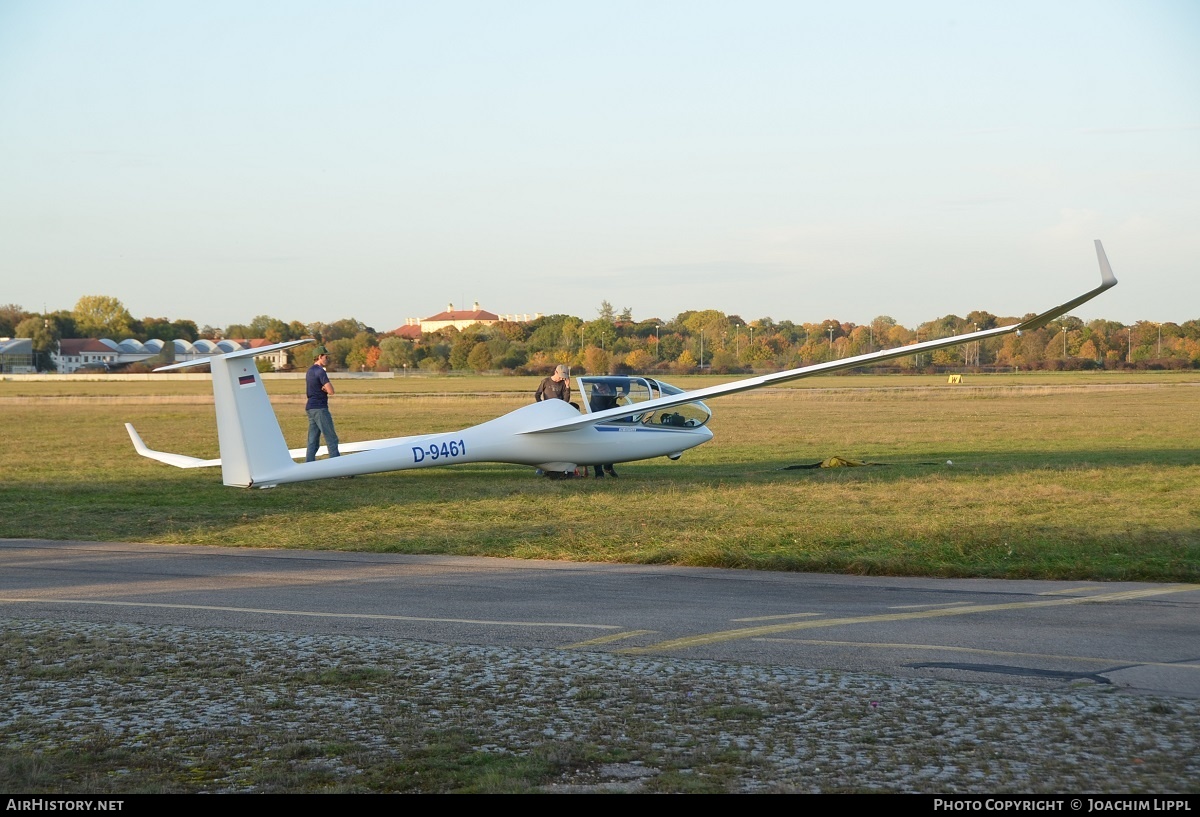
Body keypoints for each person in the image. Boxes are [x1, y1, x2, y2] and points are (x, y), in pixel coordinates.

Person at [305, 345, 340, 462]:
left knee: (313, 441)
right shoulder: (321, 372)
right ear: (320, 356)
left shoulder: (309, 371)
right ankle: (338, 468)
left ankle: (308, 466)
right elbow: (331, 391)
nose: (327, 359)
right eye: (326, 357)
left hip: (310, 407)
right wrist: (325, 389)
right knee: (332, 439)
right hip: (320, 408)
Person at [588, 381, 620, 479]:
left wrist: (625, 392)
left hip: (610, 419)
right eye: (601, 390)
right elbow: (598, 409)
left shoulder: (612, 383)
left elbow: (624, 378)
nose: (603, 391)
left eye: (605, 389)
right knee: (597, 447)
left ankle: (608, 467)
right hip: (597, 419)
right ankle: (599, 473)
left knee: (613, 444)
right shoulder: (596, 391)